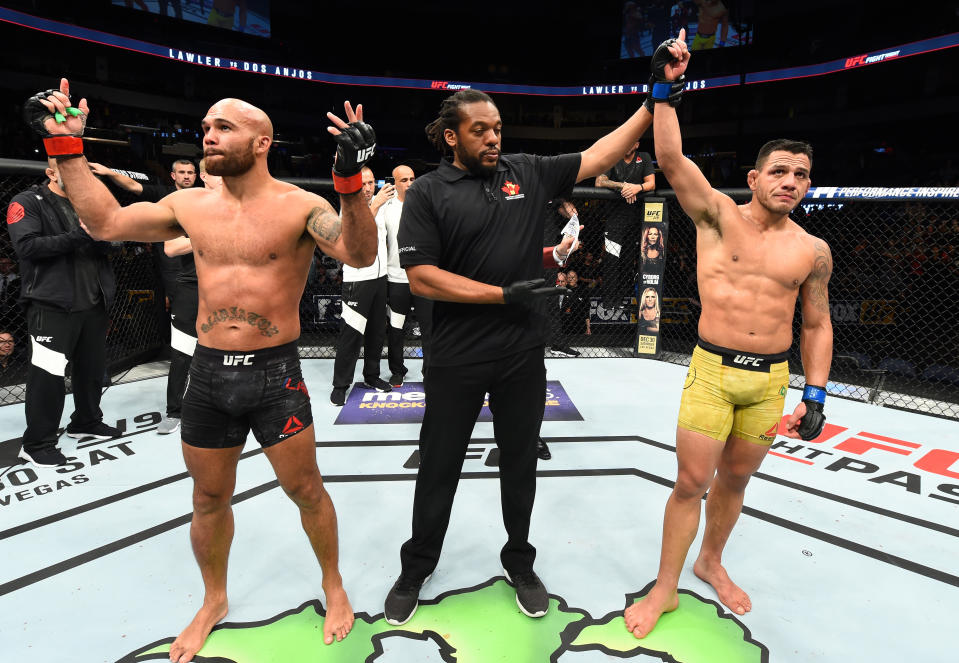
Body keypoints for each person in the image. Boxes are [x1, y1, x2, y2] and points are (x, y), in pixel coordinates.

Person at [23, 78, 380, 659]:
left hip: (275, 374)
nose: (207, 135)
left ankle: (334, 586)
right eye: (207, 126)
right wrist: (67, 149)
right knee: (208, 499)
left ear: (261, 142)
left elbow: (360, 254)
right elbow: (108, 224)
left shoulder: (301, 205)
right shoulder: (187, 205)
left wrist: (350, 185)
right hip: (210, 374)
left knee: (306, 490)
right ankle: (214, 597)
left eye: (223, 128)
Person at [385, 86, 656, 626]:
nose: (492, 138)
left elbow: (602, 154)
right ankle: (417, 565)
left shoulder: (527, 171)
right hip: (455, 354)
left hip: (521, 354)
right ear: (450, 136)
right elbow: (422, 276)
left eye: (497, 128)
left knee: (520, 462)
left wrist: (655, 98)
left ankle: (520, 560)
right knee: (439, 465)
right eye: (479, 130)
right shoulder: (429, 192)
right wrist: (501, 295)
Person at [625, 32, 833, 638]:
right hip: (713, 372)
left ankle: (710, 560)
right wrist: (666, 88)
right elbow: (670, 160)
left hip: (770, 381)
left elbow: (816, 323)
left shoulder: (813, 250)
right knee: (691, 481)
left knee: (736, 480)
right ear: (755, 175)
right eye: (779, 170)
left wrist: (815, 393)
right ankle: (665, 587)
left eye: (801, 174)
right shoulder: (716, 215)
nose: (790, 180)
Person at [5, 157, 121, 468]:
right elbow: (27, 247)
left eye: (80, 168)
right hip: (51, 304)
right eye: (67, 167)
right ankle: (38, 442)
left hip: (93, 302)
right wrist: (81, 236)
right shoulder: (28, 201)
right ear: (51, 172)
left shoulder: (90, 202)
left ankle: (86, 422)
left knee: (91, 370)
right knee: (48, 376)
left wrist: (103, 240)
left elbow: (116, 240)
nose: (75, 173)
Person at [157, 158, 220, 435]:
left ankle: (219, 403)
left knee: (224, 349)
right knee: (183, 350)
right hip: (191, 286)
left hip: (225, 285)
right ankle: (175, 410)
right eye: (219, 174)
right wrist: (207, 235)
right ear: (205, 176)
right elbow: (171, 248)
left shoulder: (236, 206)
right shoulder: (185, 206)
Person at [330, 166, 392, 406]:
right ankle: (340, 385)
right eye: (363, 183)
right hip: (357, 278)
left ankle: (372, 376)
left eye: (371, 183)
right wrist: (375, 205)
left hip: (381, 277)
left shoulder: (384, 203)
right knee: (351, 334)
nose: (367, 188)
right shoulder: (348, 207)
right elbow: (350, 234)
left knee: (377, 332)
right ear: (355, 185)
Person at [382, 164, 434, 386]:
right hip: (396, 278)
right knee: (395, 327)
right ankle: (397, 370)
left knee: (429, 327)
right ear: (394, 183)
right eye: (404, 180)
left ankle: (429, 371)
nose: (410, 183)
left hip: (422, 277)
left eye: (412, 178)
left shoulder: (426, 207)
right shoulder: (386, 208)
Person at [595, 140, 656, 309]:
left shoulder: (643, 158)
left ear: (637, 144)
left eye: (632, 141)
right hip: (614, 220)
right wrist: (624, 187)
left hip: (634, 220)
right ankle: (609, 301)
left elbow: (652, 183)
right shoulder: (613, 158)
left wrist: (638, 188)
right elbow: (599, 181)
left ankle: (624, 299)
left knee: (629, 260)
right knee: (611, 260)